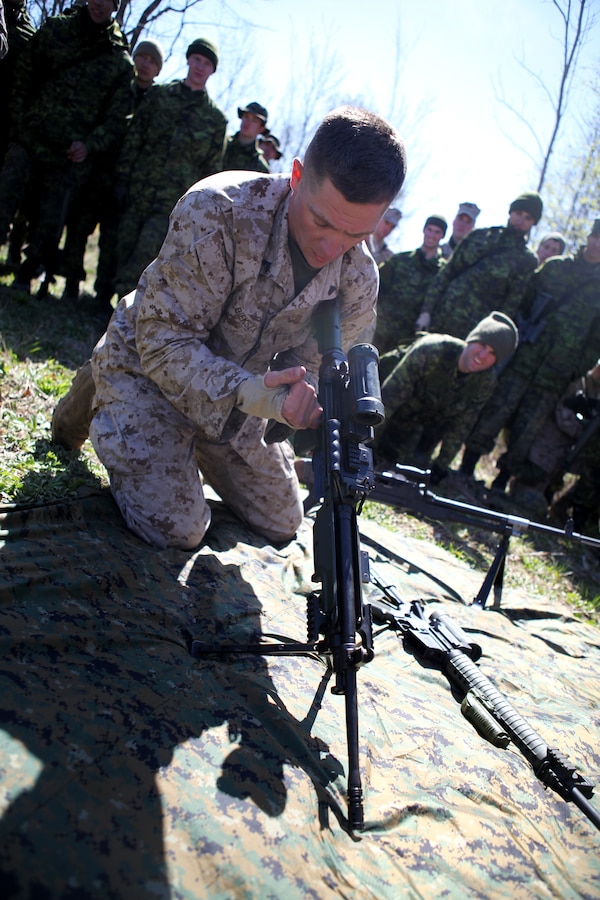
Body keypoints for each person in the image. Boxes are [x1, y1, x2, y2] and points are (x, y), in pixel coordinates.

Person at [52, 105, 407, 549]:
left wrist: (299, 399)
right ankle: (106, 375)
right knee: (178, 528)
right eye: (321, 221)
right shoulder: (219, 210)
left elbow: (317, 368)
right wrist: (248, 391)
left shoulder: (359, 277)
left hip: (245, 402)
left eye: (356, 235)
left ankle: (192, 442)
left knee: (282, 521)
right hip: (152, 367)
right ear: (297, 176)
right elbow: (164, 342)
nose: (332, 247)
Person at [0, 0, 134, 294]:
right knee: (4, 197)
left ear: (116, 6)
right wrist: (21, 122)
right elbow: (23, 75)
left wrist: (89, 144)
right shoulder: (56, 30)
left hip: (68, 155)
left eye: (109, 0)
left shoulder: (119, 61)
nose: (100, 4)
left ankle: (27, 274)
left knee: (50, 222)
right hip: (30, 138)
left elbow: (117, 118)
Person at [460, 217, 600, 488]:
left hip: (554, 374)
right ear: (588, 237)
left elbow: (596, 341)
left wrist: (573, 368)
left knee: (527, 431)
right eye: (595, 238)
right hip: (523, 358)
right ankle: (466, 469)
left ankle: (500, 483)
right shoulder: (555, 268)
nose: (597, 245)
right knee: (496, 412)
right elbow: (523, 301)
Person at [113, 37, 227, 298]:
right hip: (138, 187)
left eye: (207, 63)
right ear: (188, 60)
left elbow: (211, 171)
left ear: (212, 70)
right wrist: (121, 179)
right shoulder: (159, 96)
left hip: (172, 202)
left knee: (146, 252)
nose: (200, 66)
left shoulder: (215, 120)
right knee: (122, 243)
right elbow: (135, 138)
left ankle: (123, 308)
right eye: (197, 59)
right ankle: (101, 298)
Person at [60, 37, 166, 310]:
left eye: (152, 61)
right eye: (142, 57)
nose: (145, 64)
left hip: (128, 182)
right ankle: (70, 282)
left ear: (158, 69)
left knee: (112, 240)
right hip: (96, 172)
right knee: (78, 228)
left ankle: (102, 295)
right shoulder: (117, 87)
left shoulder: (159, 100)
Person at [373, 311, 518, 483]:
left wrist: (441, 465)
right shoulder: (432, 350)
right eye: (482, 345)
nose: (482, 356)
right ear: (471, 340)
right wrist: (367, 440)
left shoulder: (484, 382)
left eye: (492, 354)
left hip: (413, 428)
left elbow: (461, 425)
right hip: (381, 412)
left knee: (406, 472)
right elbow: (388, 398)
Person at [415, 191, 542, 340]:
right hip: (441, 316)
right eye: (519, 213)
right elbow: (447, 273)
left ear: (533, 223)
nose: (521, 220)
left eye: (528, 218)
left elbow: (510, 305)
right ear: (511, 212)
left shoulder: (527, 260)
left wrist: (488, 338)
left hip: (472, 333)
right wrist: (426, 312)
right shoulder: (480, 236)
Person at [373, 214, 446, 361]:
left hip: (407, 340)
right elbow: (374, 285)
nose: (432, 235)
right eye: (429, 229)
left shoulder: (444, 272)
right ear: (424, 231)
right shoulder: (401, 260)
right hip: (380, 331)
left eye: (437, 232)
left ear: (442, 236)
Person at [222, 101, 270, 173]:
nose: (248, 122)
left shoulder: (260, 167)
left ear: (261, 129)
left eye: (254, 121)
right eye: (246, 117)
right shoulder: (221, 144)